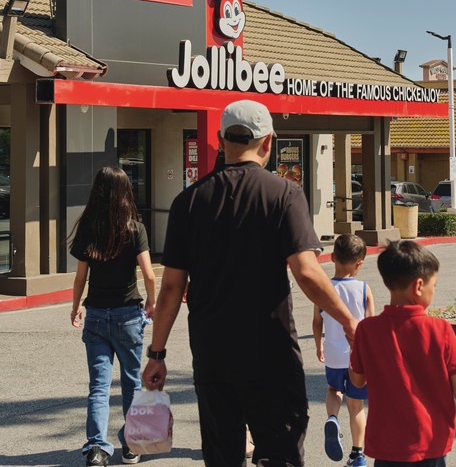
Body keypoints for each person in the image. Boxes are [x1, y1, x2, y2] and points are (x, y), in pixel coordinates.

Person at [142, 99, 359, 467]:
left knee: (223, 454)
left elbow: (171, 289)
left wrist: (157, 355)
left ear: (220, 140)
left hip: (213, 357)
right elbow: (306, 271)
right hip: (270, 354)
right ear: (268, 142)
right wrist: (349, 321)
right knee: (281, 454)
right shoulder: (284, 194)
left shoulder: (187, 203)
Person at [349, 241, 456, 467]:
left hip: (387, 447)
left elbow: (358, 381)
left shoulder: (366, 330)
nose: (434, 290)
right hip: (430, 442)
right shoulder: (439, 329)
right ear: (419, 286)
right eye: (435, 285)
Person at [70, 166, 157, 467]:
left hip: (95, 316)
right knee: (132, 382)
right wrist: (152, 304)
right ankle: (131, 446)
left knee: (98, 386)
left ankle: (96, 449)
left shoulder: (88, 228)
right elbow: (149, 274)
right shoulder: (135, 228)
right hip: (128, 316)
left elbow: (80, 278)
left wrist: (75, 306)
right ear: (125, 193)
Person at [312, 234, 374, 466]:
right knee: (357, 405)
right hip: (357, 357)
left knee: (333, 389)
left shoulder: (323, 289)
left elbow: (316, 322)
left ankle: (332, 418)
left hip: (334, 353)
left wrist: (319, 344)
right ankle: (357, 454)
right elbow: (370, 326)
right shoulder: (364, 289)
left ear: (333, 257)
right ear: (359, 263)